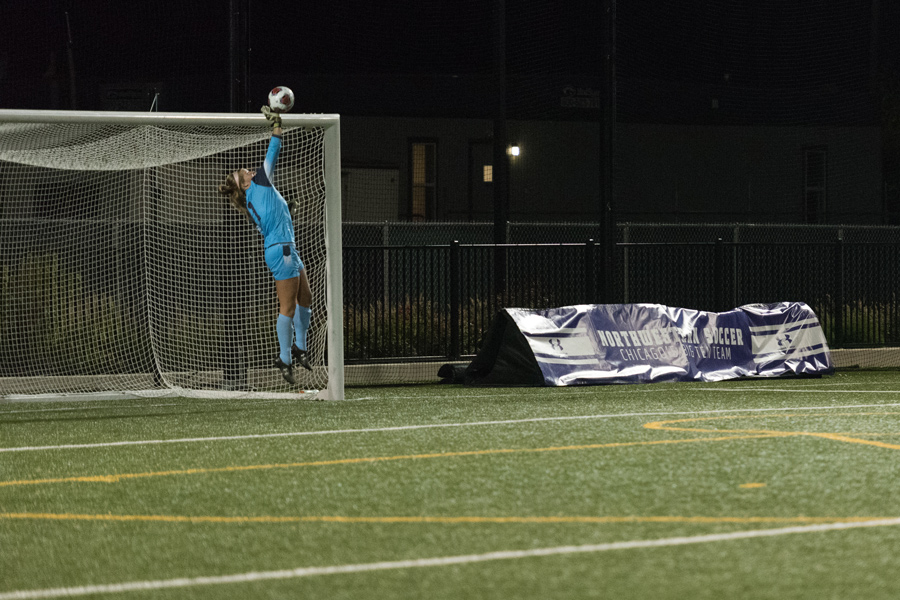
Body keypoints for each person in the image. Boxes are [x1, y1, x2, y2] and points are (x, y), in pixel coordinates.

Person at [217, 107, 312, 384]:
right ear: (244, 183)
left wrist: (287, 212)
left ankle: (300, 348)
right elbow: (273, 151)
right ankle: (284, 358)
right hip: (281, 251)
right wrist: (276, 125)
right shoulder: (259, 182)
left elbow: (270, 219)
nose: (246, 169)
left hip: (284, 248)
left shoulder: (250, 202)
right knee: (288, 307)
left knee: (305, 298)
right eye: (241, 172)